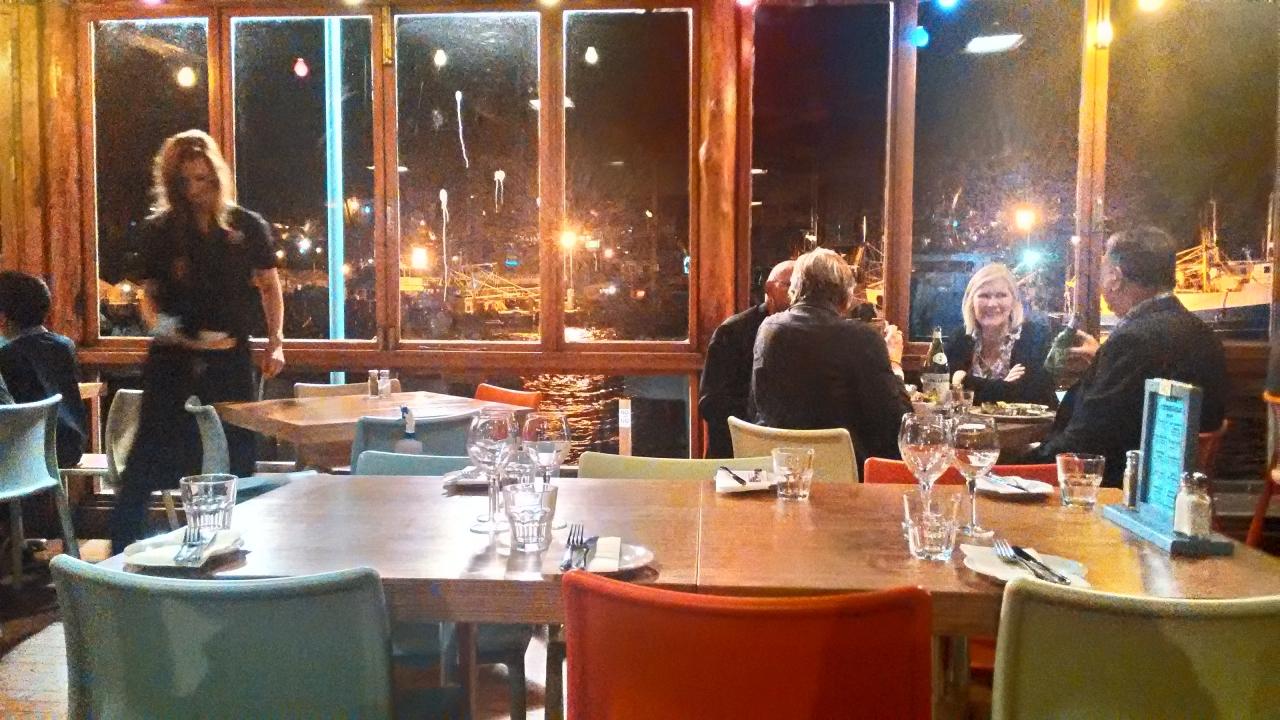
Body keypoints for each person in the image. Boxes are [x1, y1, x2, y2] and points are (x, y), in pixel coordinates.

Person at [111, 130, 286, 553]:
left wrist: (277, 341)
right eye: (184, 181)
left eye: (202, 179)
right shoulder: (160, 230)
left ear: (216, 176)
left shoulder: (246, 226)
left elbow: (269, 285)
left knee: (237, 458)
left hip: (229, 359)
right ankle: (119, 565)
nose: (194, 190)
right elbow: (149, 295)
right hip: (173, 361)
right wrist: (162, 327)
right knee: (146, 461)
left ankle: (239, 554)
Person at [1029, 227, 1228, 486]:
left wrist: (1024, 459)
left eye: (1102, 272)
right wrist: (1102, 360)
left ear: (1115, 277)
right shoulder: (1201, 333)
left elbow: (1088, 440)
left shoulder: (1132, 340)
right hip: (1178, 486)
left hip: (1119, 484)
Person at [750, 248, 911, 464]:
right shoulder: (862, 338)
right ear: (846, 295)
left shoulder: (768, 329)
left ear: (795, 290)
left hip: (780, 468)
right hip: (847, 476)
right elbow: (898, 425)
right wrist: (894, 362)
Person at [699, 260, 794, 458]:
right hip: (735, 452)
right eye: (790, 286)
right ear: (769, 288)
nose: (797, 294)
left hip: (783, 449)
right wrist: (757, 426)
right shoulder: (733, 331)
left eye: (801, 288)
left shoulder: (800, 335)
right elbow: (711, 402)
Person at [0, 271, 88, 467]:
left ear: (3, 318)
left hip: (31, 453)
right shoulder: (64, 346)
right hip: (72, 446)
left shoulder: (7, 355)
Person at [944, 263, 1056, 406]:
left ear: (1013, 301)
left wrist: (964, 381)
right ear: (971, 302)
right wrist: (1004, 386)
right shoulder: (961, 338)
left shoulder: (1034, 336)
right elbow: (942, 386)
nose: (992, 304)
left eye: (1001, 295)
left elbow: (1029, 395)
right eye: (984, 296)